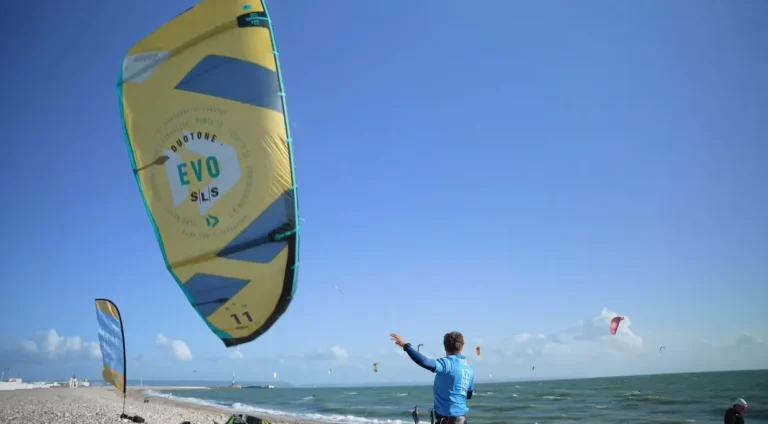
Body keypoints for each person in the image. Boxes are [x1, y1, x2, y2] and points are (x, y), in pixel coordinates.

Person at [391, 331, 474, 424]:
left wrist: (405, 346)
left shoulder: (447, 363)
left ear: (445, 347)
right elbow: (468, 395)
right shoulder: (469, 370)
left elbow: (425, 362)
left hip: (447, 420)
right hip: (462, 420)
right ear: (462, 347)